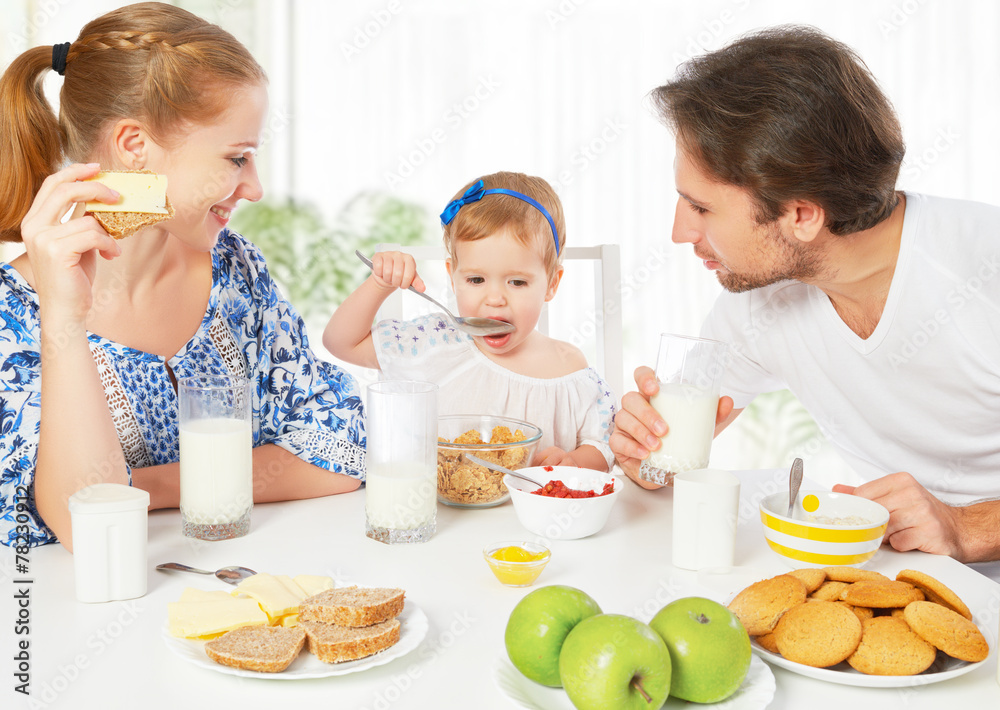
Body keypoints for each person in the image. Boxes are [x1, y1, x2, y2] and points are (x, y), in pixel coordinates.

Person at [610, 25, 1000, 564]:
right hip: (913, 571)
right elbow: (668, 453)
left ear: (800, 215)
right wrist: (645, 452)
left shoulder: (984, 270)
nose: (680, 232)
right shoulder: (755, 304)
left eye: (700, 208)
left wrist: (966, 527)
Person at [0, 2, 366, 551]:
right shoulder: (16, 316)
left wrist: (143, 487)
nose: (255, 187)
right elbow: (84, 526)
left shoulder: (237, 272)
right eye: (237, 157)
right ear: (135, 147)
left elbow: (342, 450)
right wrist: (64, 321)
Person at [324, 171, 615, 471]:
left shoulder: (569, 370)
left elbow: (602, 446)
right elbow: (341, 342)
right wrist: (379, 284)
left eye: (517, 282)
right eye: (476, 279)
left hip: (531, 517)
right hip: (438, 513)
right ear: (452, 277)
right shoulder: (434, 343)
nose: (494, 299)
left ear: (552, 283)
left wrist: (574, 462)